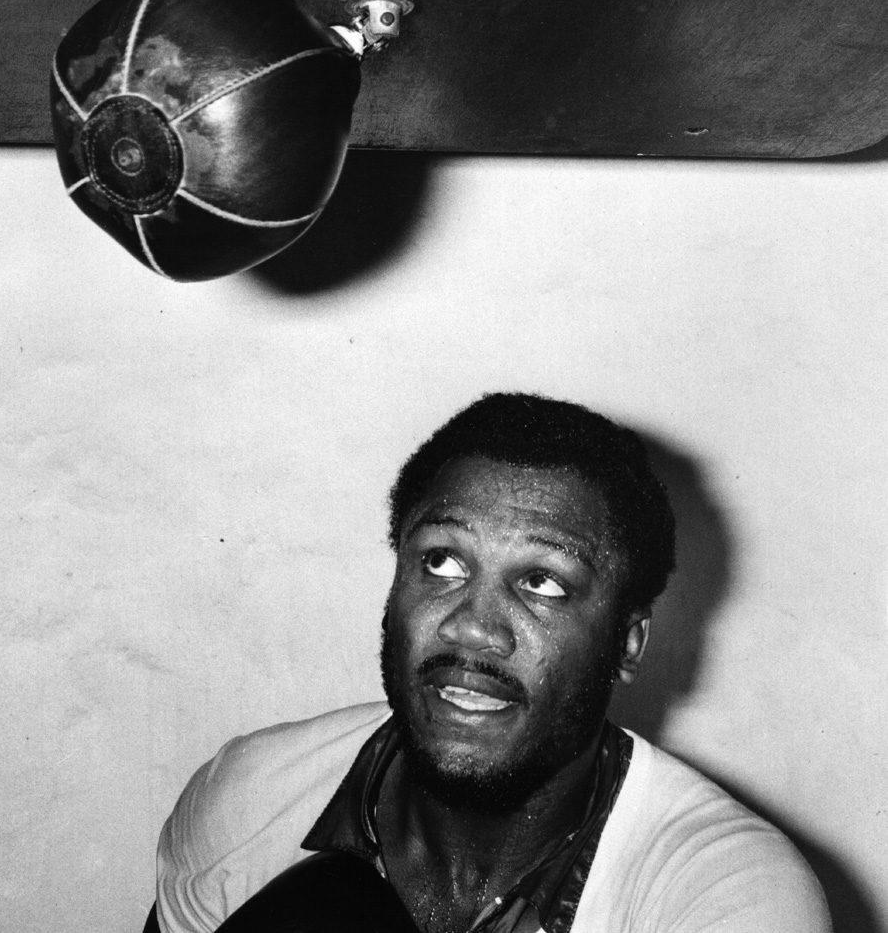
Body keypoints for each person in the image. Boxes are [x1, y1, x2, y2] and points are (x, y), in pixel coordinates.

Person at [148, 392, 831, 933]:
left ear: (628, 643)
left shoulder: (722, 895)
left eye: (542, 582)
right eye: (442, 562)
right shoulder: (247, 798)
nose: (473, 626)